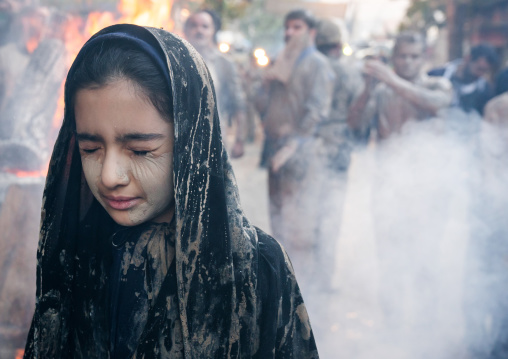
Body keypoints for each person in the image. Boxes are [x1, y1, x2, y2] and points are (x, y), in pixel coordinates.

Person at [23, 24, 319, 358]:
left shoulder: (253, 268)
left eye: (140, 151)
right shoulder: (77, 253)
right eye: (91, 149)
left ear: (191, 144)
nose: (109, 177)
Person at [255, 9, 334, 290]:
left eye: (296, 27)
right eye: (287, 27)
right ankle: (283, 285)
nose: (289, 33)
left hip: (301, 154)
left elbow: (317, 112)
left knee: (299, 222)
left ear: (311, 32)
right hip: (275, 150)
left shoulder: (317, 64)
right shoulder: (281, 61)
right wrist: (264, 85)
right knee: (279, 221)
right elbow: (263, 108)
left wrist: (291, 147)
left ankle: (304, 289)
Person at [348, 31, 452, 141]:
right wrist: (367, 89)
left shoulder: (437, 85)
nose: (408, 61)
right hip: (388, 156)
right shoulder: (381, 91)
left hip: (425, 155)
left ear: (424, 58)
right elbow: (355, 125)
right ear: (393, 58)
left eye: (414, 57)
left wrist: (392, 80)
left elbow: (437, 104)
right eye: (402, 56)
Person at [184, 9, 246, 158]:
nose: (199, 30)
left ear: (213, 30)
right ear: (186, 30)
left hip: (214, 141)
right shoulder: (175, 61)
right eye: (194, 25)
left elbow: (239, 103)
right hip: (181, 140)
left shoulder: (224, 63)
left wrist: (240, 139)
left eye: (205, 26)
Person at [428, 43, 498, 115]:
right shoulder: (436, 75)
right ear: (468, 58)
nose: (481, 74)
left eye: (485, 71)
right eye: (479, 69)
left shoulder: (485, 90)